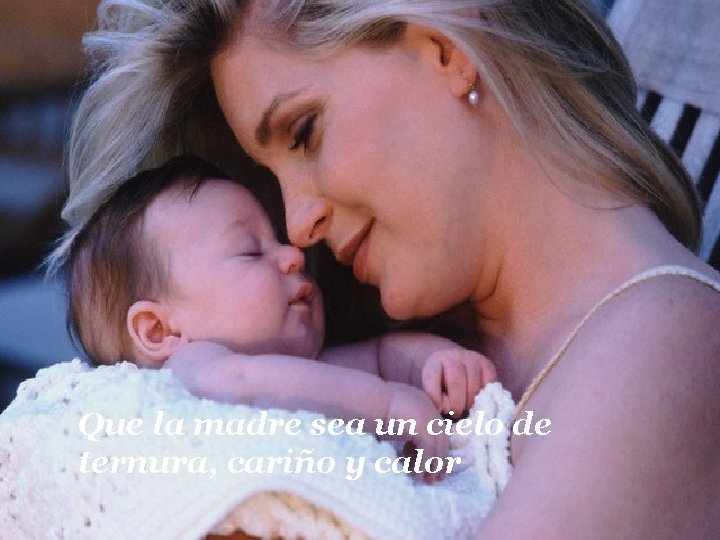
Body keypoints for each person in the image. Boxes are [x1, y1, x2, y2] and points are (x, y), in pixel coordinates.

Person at [50, 0, 720, 536]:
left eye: (305, 132)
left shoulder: (665, 344)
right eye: (269, 183)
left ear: (445, 50)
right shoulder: (356, 351)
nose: (296, 227)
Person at [68, 154, 496, 481]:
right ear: (160, 330)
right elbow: (245, 383)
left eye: (276, 240)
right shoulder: (187, 371)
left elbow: (384, 357)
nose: (293, 254)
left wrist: (438, 364)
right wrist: (389, 405)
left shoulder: (320, 371)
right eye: (251, 251)